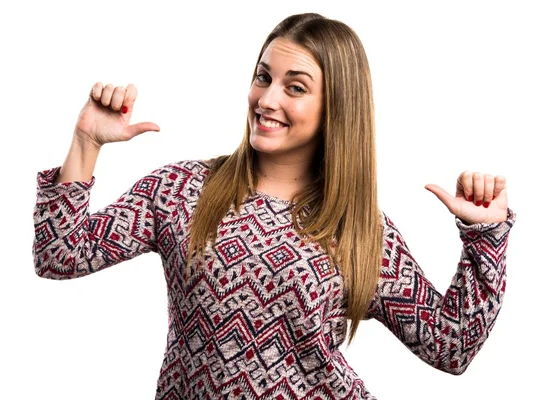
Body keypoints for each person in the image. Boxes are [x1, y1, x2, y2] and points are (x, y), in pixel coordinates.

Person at [32, 12, 515, 400]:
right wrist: (86, 141)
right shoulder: (183, 190)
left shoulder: (361, 230)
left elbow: (452, 346)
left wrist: (486, 240)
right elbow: (60, 254)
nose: (266, 98)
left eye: (295, 86)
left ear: (336, 108)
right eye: (264, 77)